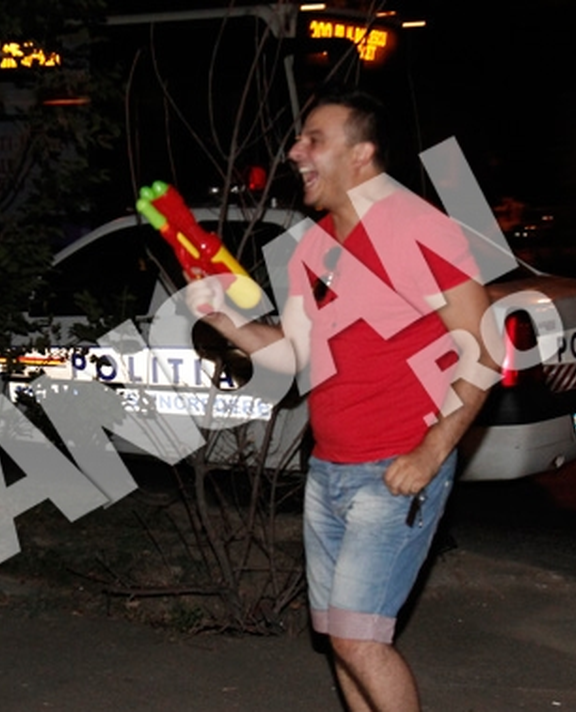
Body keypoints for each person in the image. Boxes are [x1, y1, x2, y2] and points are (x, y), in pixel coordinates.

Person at [185, 89, 494, 712]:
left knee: (358, 637)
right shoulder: (314, 247)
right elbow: (294, 354)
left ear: (361, 155)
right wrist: (223, 320)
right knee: (340, 637)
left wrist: (431, 452)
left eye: (314, 140)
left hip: (397, 469)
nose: (295, 152)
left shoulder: (420, 230)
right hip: (329, 470)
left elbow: (485, 347)